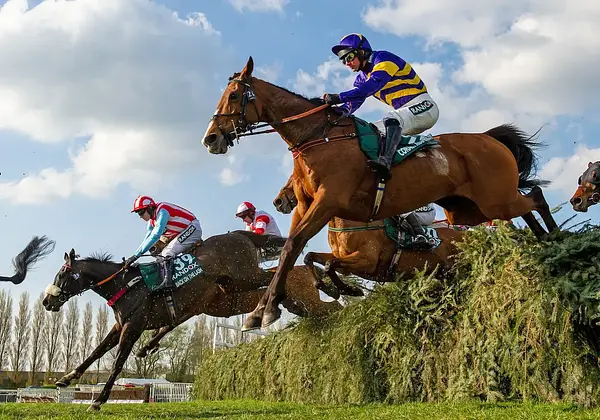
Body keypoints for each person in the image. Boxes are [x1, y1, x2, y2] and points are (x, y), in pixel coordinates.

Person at [322, 33, 440, 181]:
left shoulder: (383, 58)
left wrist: (339, 97)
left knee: (391, 118)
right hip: (406, 113)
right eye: (343, 60)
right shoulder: (361, 79)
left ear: (362, 52)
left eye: (349, 57)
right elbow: (352, 104)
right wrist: (333, 111)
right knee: (370, 132)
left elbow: (373, 84)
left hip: (424, 106)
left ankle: (386, 161)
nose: (347, 63)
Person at [124, 195, 203, 291]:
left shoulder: (162, 211)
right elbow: (146, 240)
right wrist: (133, 256)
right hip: (183, 232)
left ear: (149, 208)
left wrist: (136, 256)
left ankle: (168, 283)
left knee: (166, 253)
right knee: (160, 258)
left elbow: (155, 236)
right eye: (138, 214)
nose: (140, 216)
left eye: (141, 212)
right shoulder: (152, 222)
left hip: (193, 228)